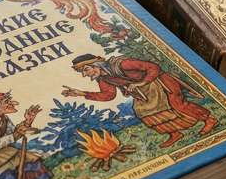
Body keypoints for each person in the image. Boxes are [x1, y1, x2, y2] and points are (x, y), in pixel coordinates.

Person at [62, 54, 217, 148]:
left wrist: (142, 82)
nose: (85, 74)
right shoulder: (103, 78)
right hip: (144, 92)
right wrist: (82, 93)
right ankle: (174, 133)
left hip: (160, 82)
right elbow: (108, 95)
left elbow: (153, 67)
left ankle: (209, 119)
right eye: (82, 72)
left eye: (86, 69)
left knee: (177, 105)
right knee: (142, 111)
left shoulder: (121, 64)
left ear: (96, 64)